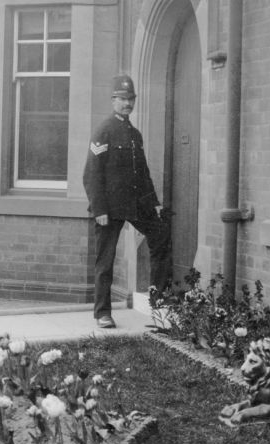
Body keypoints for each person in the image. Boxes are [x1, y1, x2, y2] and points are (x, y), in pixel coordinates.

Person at [83, 74, 171, 328]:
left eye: (130, 99)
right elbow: (91, 174)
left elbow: (142, 173)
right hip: (109, 208)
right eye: (122, 99)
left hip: (135, 204)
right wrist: (99, 208)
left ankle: (158, 298)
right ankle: (102, 313)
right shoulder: (104, 131)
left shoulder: (135, 134)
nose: (127, 104)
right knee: (105, 260)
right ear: (113, 100)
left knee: (161, 236)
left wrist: (153, 202)